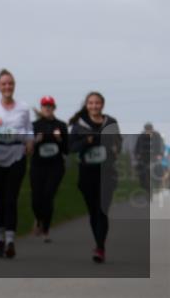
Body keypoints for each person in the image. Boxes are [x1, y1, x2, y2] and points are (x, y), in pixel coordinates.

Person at [0, 69, 34, 259]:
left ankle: (10, 241)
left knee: (11, 198)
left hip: (17, 155)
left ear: (14, 85)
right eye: (4, 84)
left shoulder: (24, 109)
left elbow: (29, 130)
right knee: (0, 199)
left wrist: (30, 142)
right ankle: (0, 237)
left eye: (10, 83)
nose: (7, 87)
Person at [68, 92, 123, 263]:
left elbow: (118, 142)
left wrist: (115, 148)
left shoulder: (111, 122)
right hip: (87, 173)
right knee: (93, 212)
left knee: (102, 211)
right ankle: (99, 244)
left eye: (97, 103)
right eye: (91, 103)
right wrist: (87, 141)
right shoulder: (79, 125)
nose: (94, 106)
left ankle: (100, 247)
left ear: (102, 105)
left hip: (107, 173)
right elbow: (72, 147)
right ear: (86, 105)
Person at [30, 95, 68, 242]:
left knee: (48, 196)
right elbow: (28, 148)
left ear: (54, 108)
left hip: (55, 166)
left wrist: (59, 139)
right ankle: (39, 219)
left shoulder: (61, 125)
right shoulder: (34, 126)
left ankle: (46, 230)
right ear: (41, 108)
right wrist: (35, 141)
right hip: (38, 166)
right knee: (36, 199)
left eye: (50, 106)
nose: (47, 108)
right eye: (45, 106)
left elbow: (67, 149)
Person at [134, 122, 166, 200]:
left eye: (149, 129)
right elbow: (137, 146)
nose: (148, 131)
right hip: (144, 158)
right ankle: (144, 186)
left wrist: (160, 155)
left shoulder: (157, 135)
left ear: (152, 129)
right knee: (140, 171)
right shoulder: (141, 136)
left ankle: (158, 184)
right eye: (146, 129)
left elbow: (161, 145)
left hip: (154, 157)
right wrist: (137, 154)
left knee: (159, 170)